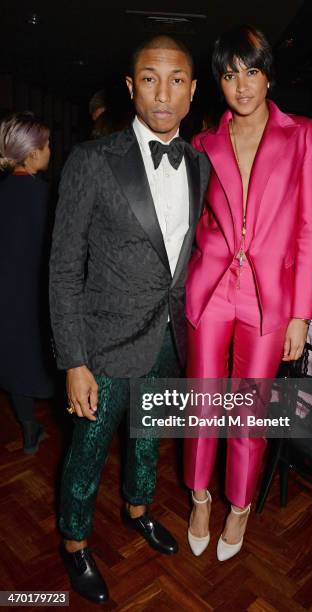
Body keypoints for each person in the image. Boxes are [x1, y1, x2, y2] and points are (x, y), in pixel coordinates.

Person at [49, 35, 210, 603]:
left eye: (175, 80)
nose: (162, 93)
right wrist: (74, 360)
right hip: (104, 345)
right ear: (130, 86)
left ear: (192, 91)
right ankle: (74, 543)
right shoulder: (91, 161)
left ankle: (139, 510)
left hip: (168, 337)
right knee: (87, 452)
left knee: (149, 442)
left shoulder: (199, 164)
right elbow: (64, 269)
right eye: (149, 78)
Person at [183, 24, 312, 561]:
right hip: (212, 290)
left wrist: (302, 314)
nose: (241, 85)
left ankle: (238, 506)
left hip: (269, 301)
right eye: (228, 74)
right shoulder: (204, 143)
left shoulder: (303, 136)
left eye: (251, 71)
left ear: (268, 74)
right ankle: (199, 496)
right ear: (217, 83)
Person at [0, 112, 54, 453]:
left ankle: (30, 429)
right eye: (47, 144)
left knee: (14, 360)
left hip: (7, 295)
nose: (51, 150)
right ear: (33, 153)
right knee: (50, 362)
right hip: (39, 295)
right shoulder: (47, 196)